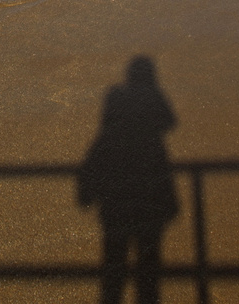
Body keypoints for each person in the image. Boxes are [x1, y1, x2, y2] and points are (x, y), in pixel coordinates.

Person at [77, 56, 179, 304]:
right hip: (150, 202)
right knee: (148, 269)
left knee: (114, 267)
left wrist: (86, 192)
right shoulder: (149, 138)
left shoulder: (107, 139)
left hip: (116, 206)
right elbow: (170, 121)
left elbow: (90, 166)